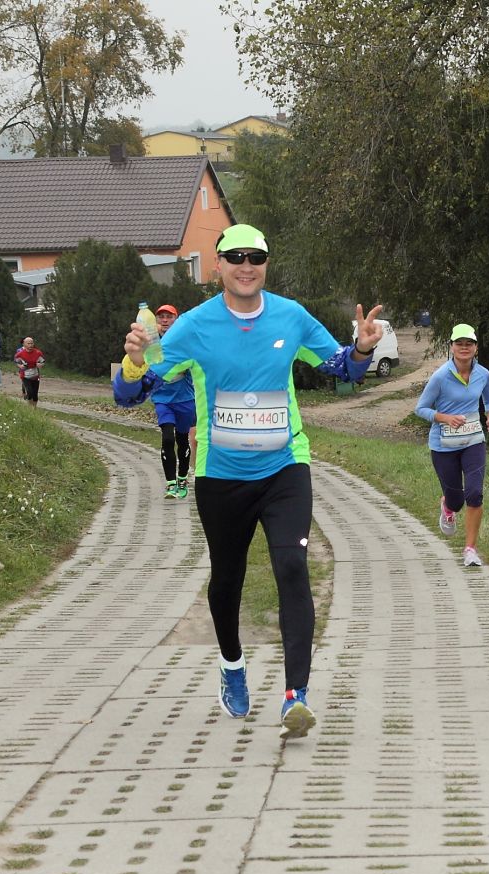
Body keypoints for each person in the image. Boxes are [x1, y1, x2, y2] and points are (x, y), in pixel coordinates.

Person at [112, 224, 382, 740]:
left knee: (292, 566)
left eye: (255, 257)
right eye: (234, 257)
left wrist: (362, 350)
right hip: (221, 476)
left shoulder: (291, 316)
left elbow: (343, 369)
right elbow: (132, 394)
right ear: (217, 265)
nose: (245, 265)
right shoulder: (192, 327)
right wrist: (134, 361)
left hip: (285, 467)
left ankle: (296, 696)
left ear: (266, 264)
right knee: (227, 578)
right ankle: (232, 665)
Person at [414, 323, 489, 568]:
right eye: (459, 343)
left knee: (474, 493)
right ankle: (448, 507)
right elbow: (421, 408)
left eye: (469, 343)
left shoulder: (483, 374)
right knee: (456, 500)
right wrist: (445, 418)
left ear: (476, 348)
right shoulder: (441, 376)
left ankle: (470, 550)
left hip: (473, 441)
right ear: (451, 347)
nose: (464, 347)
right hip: (443, 445)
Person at [119, 304, 198, 499]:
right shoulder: (151, 343)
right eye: (161, 317)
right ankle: (171, 484)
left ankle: (182, 478)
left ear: (176, 320)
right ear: (155, 321)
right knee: (168, 438)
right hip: (163, 399)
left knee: (182, 440)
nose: (165, 320)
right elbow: (138, 364)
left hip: (185, 399)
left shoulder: (184, 340)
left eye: (169, 317)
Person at [13, 337, 44, 406]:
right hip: (25, 376)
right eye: (28, 343)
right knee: (29, 392)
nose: (30, 345)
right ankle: (30, 408)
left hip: (35, 376)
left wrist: (40, 364)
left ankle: (34, 408)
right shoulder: (20, 354)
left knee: (35, 394)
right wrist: (20, 366)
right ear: (24, 344)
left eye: (32, 343)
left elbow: (42, 361)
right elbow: (16, 361)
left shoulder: (38, 353)